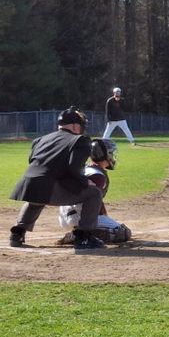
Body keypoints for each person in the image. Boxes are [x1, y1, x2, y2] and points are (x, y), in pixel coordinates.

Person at [8, 107, 106, 250]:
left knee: (36, 199)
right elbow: (74, 168)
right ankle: (84, 237)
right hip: (49, 187)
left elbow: (33, 161)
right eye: (80, 125)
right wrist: (86, 181)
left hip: (27, 184)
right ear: (74, 125)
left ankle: (17, 234)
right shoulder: (80, 140)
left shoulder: (40, 139)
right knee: (94, 193)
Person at [57, 138, 132, 244]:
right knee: (123, 232)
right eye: (111, 153)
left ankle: (79, 231)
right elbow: (93, 200)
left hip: (65, 215)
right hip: (79, 215)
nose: (113, 156)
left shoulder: (84, 169)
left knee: (106, 222)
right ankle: (78, 234)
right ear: (104, 155)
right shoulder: (98, 176)